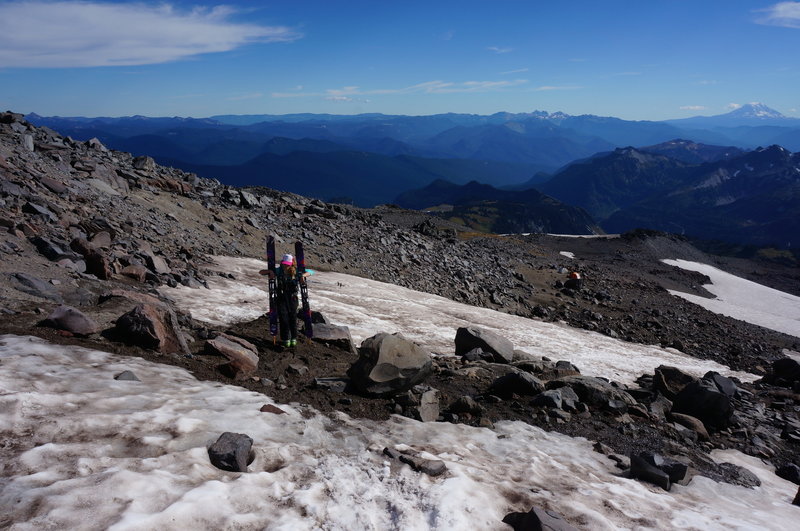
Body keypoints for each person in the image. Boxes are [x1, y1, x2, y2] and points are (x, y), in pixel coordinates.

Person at [259, 253, 307, 348]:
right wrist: (270, 272)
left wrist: (303, 276)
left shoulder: (296, 271)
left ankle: (293, 338)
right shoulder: (279, 270)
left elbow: (311, 272)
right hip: (281, 298)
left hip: (292, 299)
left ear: (291, 264)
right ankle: (286, 338)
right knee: (284, 319)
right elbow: (261, 272)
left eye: (287, 264)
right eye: (284, 263)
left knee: (292, 318)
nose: (285, 265)